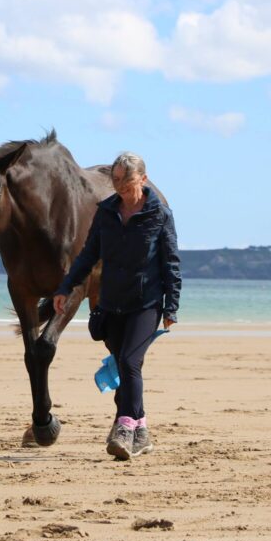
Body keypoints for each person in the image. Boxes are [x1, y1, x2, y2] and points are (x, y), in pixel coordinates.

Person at [53, 152, 181, 460]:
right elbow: (88, 254)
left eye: (127, 179)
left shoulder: (160, 214)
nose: (120, 185)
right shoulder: (106, 212)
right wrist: (66, 287)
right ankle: (142, 430)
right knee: (123, 362)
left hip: (146, 303)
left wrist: (171, 307)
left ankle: (124, 428)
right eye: (116, 179)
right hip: (111, 303)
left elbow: (171, 263)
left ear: (143, 179)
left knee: (129, 361)